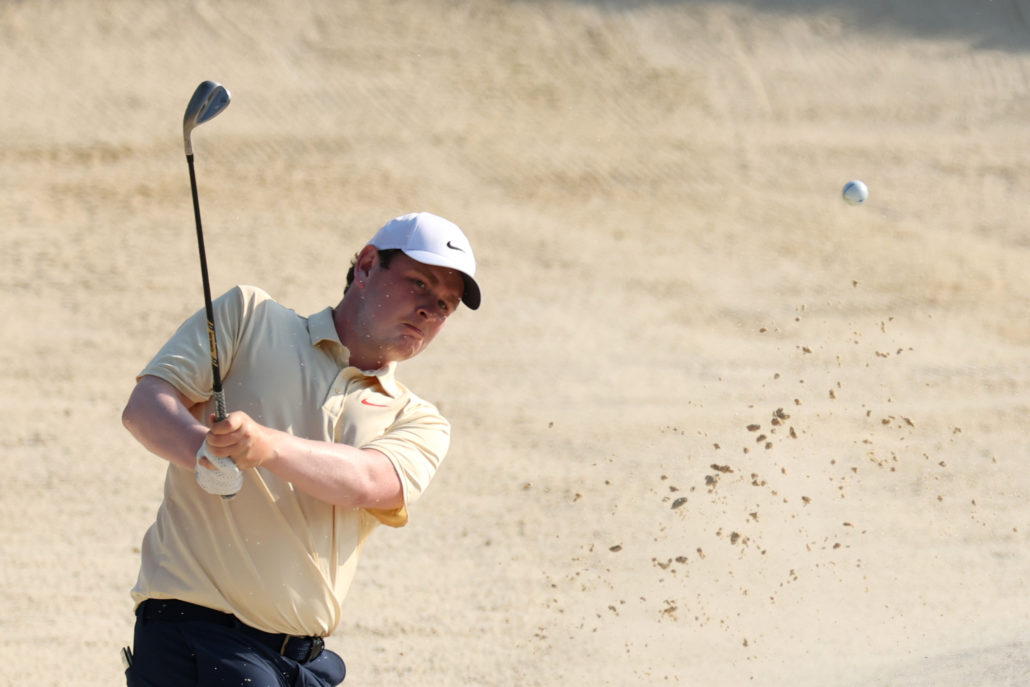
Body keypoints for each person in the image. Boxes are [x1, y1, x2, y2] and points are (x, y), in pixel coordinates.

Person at [120, 211, 481, 687]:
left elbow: (370, 481)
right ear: (367, 266)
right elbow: (146, 405)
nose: (428, 310)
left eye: (444, 305)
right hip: (197, 635)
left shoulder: (417, 419)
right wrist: (202, 452)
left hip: (302, 663)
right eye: (418, 284)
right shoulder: (249, 317)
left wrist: (267, 446)